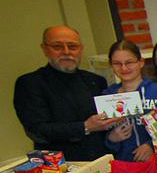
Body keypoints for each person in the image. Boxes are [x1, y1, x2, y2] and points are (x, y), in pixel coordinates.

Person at [14, 25, 119, 160]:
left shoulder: (96, 81)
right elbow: (37, 131)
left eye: (72, 46)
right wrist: (85, 127)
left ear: (81, 49)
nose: (66, 52)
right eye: (57, 46)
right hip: (60, 168)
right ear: (45, 49)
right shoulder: (30, 83)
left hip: (103, 162)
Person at [103, 39, 157, 162]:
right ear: (111, 65)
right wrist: (112, 139)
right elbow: (103, 138)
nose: (124, 68)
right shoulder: (107, 96)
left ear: (141, 62)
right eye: (117, 63)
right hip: (125, 166)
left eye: (129, 62)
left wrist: (152, 146)